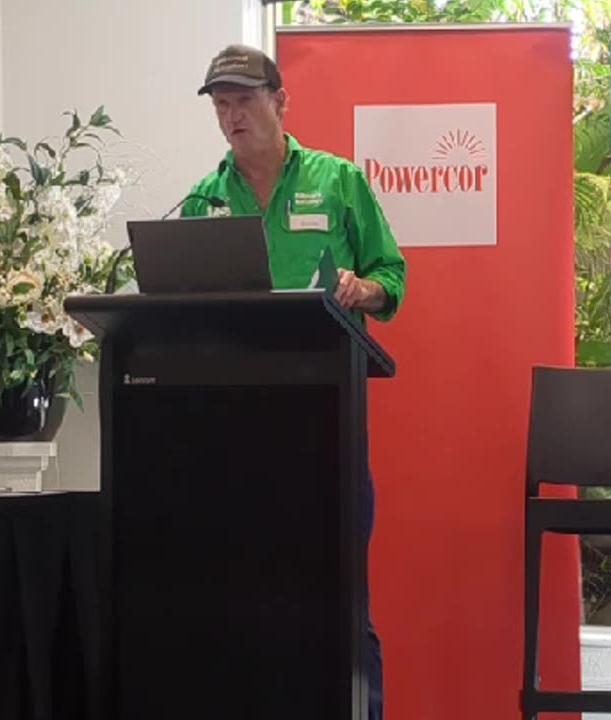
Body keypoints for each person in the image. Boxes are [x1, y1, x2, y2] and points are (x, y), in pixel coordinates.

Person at [184, 44, 408, 719]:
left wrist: (359, 286)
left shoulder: (339, 182)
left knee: (342, 601)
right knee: (249, 603)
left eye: (244, 101)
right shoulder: (202, 199)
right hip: (237, 428)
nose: (232, 116)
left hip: (327, 419)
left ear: (280, 102)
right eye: (221, 105)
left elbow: (391, 278)